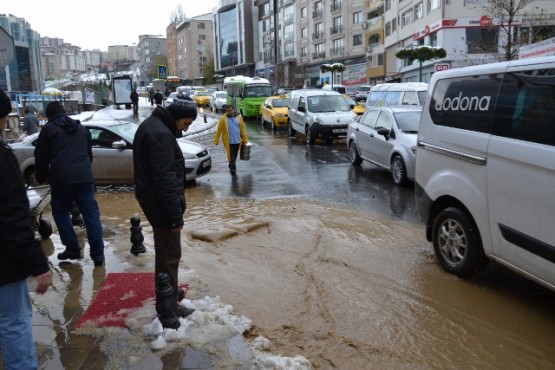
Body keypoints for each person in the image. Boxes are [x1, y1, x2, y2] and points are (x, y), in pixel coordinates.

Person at [0, 88, 53, 369]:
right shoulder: (2, 158)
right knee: (14, 323)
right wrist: (39, 264)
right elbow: (12, 218)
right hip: (4, 264)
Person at [133, 99, 197, 319]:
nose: (185, 128)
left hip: (153, 199)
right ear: (176, 117)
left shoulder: (154, 125)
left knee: (166, 251)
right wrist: (175, 217)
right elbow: (166, 180)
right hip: (160, 204)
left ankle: (169, 290)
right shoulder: (161, 134)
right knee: (170, 254)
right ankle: (167, 305)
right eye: (186, 123)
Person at [34, 101, 106, 267]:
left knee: (60, 213)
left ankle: (73, 249)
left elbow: (41, 157)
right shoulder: (81, 129)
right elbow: (89, 154)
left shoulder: (48, 130)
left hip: (61, 180)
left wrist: (40, 176)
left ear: (48, 115)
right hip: (84, 179)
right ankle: (98, 255)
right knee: (91, 215)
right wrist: (84, 170)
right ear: (65, 112)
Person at [214, 105, 248, 175]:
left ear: (233, 110)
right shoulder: (223, 119)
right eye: (228, 111)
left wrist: (245, 139)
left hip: (238, 141)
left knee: (234, 156)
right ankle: (233, 169)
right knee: (231, 156)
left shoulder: (239, 118)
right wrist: (216, 139)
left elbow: (242, 130)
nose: (229, 112)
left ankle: (231, 164)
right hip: (229, 142)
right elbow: (219, 130)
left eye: (230, 110)